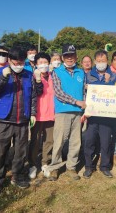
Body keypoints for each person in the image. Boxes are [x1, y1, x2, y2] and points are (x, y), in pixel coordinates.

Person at [0, 46, 43, 195]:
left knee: (20, 151)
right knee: (0, 151)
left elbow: (33, 95)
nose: (18, 65)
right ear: (9, 60)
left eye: (21, 62)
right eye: (15, 62)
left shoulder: (28, 74)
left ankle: (17, 176)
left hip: (22, 119)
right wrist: (3, 77)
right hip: (4, 119)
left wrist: (32, 113)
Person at [46, 44, 86, 181]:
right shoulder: (56, 72)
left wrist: (86, 106)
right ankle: (55, 167)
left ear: (76, 57)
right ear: (63, 57)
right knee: (59, 140)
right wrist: (76, 102)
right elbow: (58, 93)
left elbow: (84, 92)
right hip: (63, 111)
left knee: (76, 141)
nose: (70, 58)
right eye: (67, 56)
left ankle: (71, 167)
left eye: (72, 55)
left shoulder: (81, 72)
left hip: (78, 112)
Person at [83, 50, 116, 179]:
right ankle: (88, 166)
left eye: (103, 61)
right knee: (89, 141)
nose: (101, 63)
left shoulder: (114, 76)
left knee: (105, 143)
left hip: (107, 117)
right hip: (92, 116)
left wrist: (108, 82)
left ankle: (104, 166)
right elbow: (87, 92)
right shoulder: (88, 75)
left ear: (107, 61)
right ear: (94, 62)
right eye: (98, 61)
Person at [27, 52, 55, 179]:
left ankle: (45, 163)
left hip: (51, 115)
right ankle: (32, 165)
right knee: (35, 141)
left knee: (49, 140)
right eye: (40, 63)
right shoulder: (32, 77)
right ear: (36, 64)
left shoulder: (54, 77)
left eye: (45, 62)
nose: (43, 65)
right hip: (37, 115)